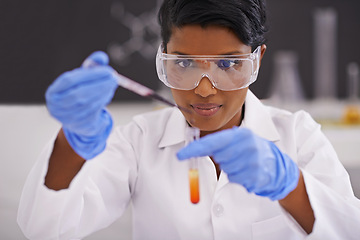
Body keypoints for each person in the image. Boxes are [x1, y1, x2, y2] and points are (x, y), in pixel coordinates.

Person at [18, 0, 360, 239]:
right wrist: (72, 142)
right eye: (184, 64)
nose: (205, 90)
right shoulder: (139, 141)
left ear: (257, 60)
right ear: (162, 57)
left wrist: (292, 188)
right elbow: (46, 229)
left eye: (228, 64)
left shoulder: (298, 135)